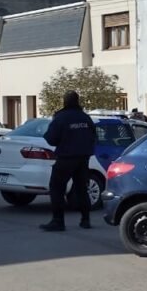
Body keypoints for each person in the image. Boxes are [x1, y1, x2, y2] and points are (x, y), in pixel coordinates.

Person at [41, 91, 97, 231]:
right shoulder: (85, 117)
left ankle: (58, 221)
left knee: (56, 187)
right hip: (83, 158)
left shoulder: (61, 117)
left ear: (65, 102)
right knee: (81, 188)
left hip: (66, 158)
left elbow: (51, 138)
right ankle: (85, 220)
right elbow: (93, 136)